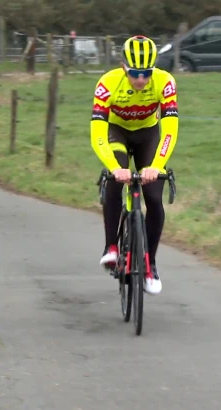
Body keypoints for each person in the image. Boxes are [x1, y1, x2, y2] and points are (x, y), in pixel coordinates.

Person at [89, 35, 179, 296]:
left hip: (148, 134)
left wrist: (158, 165)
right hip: (116, 132)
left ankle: (149, 264)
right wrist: (114, 168)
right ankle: (111, 248)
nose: (141, 79)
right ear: (124, 66)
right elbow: (97, 133)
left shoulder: (164, 82)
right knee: (116, 181)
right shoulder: (107, 83)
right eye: (135, 73)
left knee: (153, 196)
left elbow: (170, 130)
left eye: (146, 73)